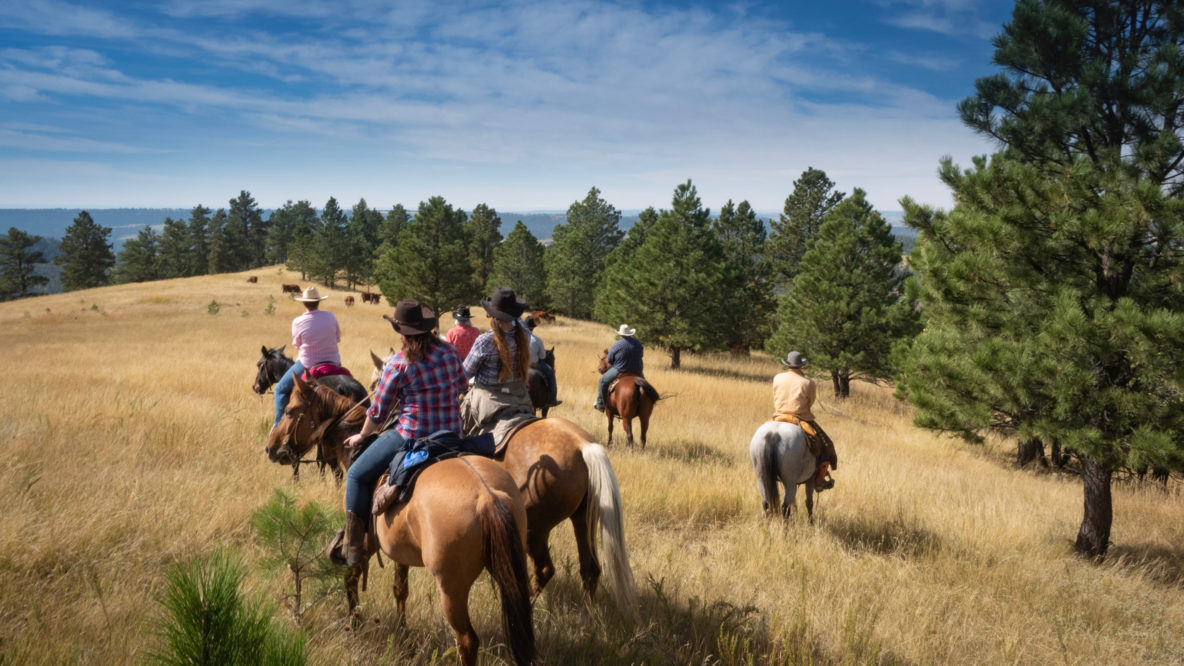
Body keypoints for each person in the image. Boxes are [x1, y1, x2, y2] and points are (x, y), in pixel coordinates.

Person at [328, 299, 467, 567]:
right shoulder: (449, 352)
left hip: (411, 435)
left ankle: (353, 548)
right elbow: (462, 385)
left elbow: (379, 412)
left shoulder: (398, 364)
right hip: (452, 435)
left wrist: (362, 436)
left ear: (402, 334)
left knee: (356, 474)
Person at [461, 287, 535, 434]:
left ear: (492, 315)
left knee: (456, 429)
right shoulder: (524, 335)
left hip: (489, 401)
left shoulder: (485, 340)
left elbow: (463, 375)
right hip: (519, 397)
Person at [273, 286, 341, 429]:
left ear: (304, 303)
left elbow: (296, 345)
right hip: (335, 363)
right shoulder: (331, 316)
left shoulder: (298, 321)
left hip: (307, 365)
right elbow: (337, 338)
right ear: (318, 302)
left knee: (279, 390)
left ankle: (279, 426)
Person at [772, 351, 837, 489]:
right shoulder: (808, 382)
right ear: (801, 366)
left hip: (778, 417)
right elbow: (810, 402)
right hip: (801, 419)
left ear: (788, 364)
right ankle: (819, 481)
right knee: (827, 445)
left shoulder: (777, 378)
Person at [594, 324, 643, 412]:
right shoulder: (638, 343)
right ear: (630, 334)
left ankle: (600, 404)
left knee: (602, 381)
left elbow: (610, 360)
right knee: (646, 386)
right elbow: (641, 355)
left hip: (620, 370)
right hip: (637, 371)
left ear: (620, 334)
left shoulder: (616, 345)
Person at [523, 314, 561, 407]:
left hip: (520, 364)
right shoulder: (537, 340)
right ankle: (552, 400)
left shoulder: (518, 338)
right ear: (533, 327)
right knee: (551, 374)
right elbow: (543, 356)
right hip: (534, 364)